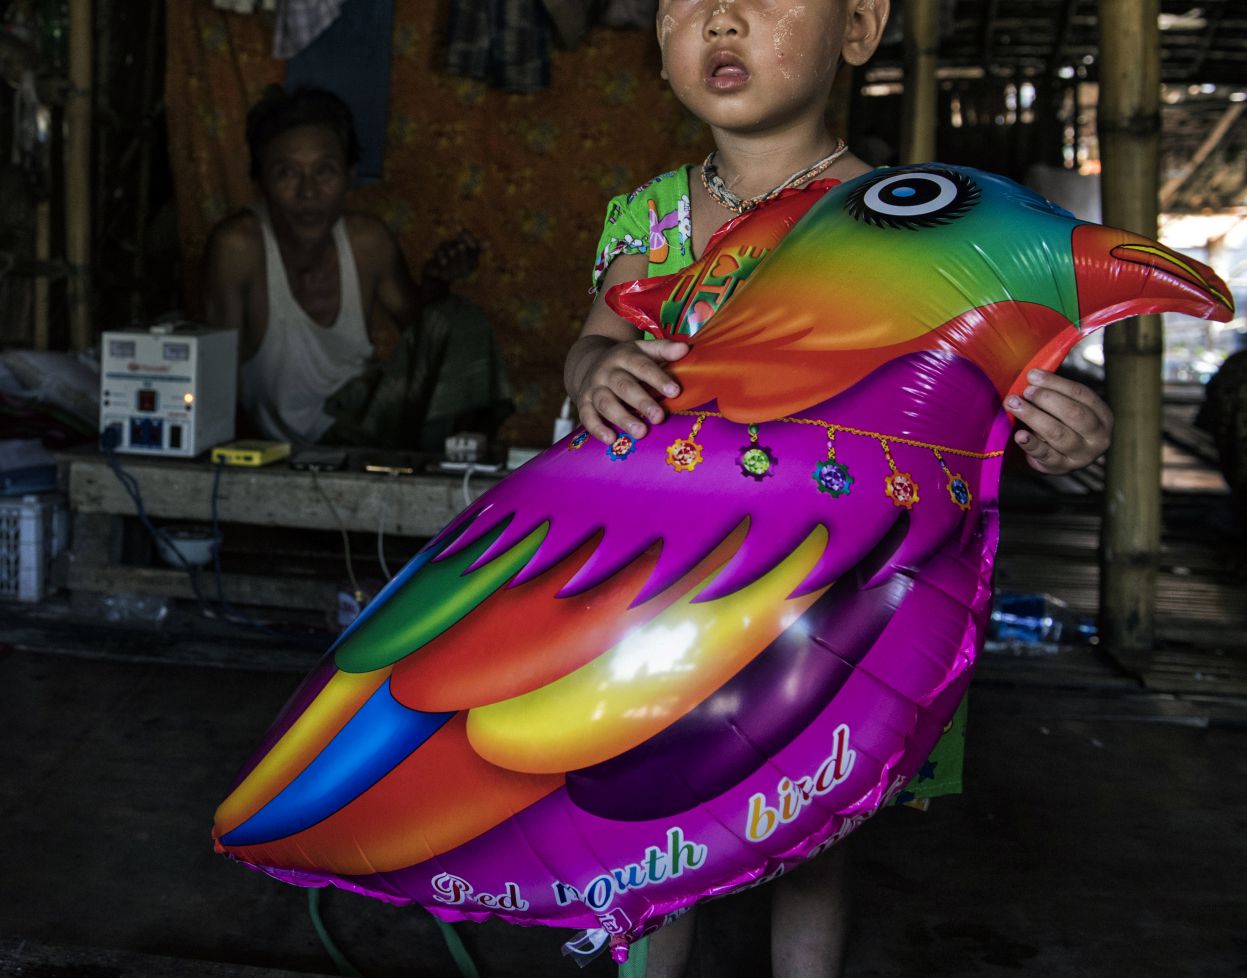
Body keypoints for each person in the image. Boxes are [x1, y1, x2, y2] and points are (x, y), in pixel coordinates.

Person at [563, 2, 1114, 975]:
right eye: (685, 1)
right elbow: (597, 341)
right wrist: (594, 374)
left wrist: (1050, 431)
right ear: (657, 41)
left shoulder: (915, 221)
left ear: (856, 28)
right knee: (651, 824)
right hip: (665, 587)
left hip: (829, 587)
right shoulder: (645, 217)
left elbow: (971, 393)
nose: (720, 18)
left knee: (809, 834)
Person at [204, 86, 512, 453]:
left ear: (350, 177)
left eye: (325, 171)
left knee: (460, 317)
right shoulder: (239, 248)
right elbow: (215, 374)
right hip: (281, 448)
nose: (308, 191)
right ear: (259, 183)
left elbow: (429, 338)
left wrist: (436, 281)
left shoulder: (367, 242)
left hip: (368, 426)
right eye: (287, 173)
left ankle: (455, 463)